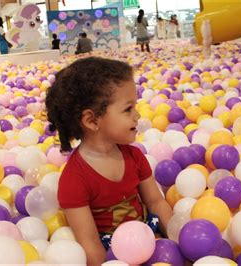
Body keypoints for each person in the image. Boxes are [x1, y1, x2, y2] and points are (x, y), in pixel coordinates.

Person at [45, 57, 173, 266]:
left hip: (147, 237)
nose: (137, 115)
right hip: (111, 252)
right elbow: (90, 244)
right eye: (128, 109)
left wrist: (176, 241)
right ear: (92, 120)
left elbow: (156, 202)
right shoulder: (74, 179)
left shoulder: (135, 156)